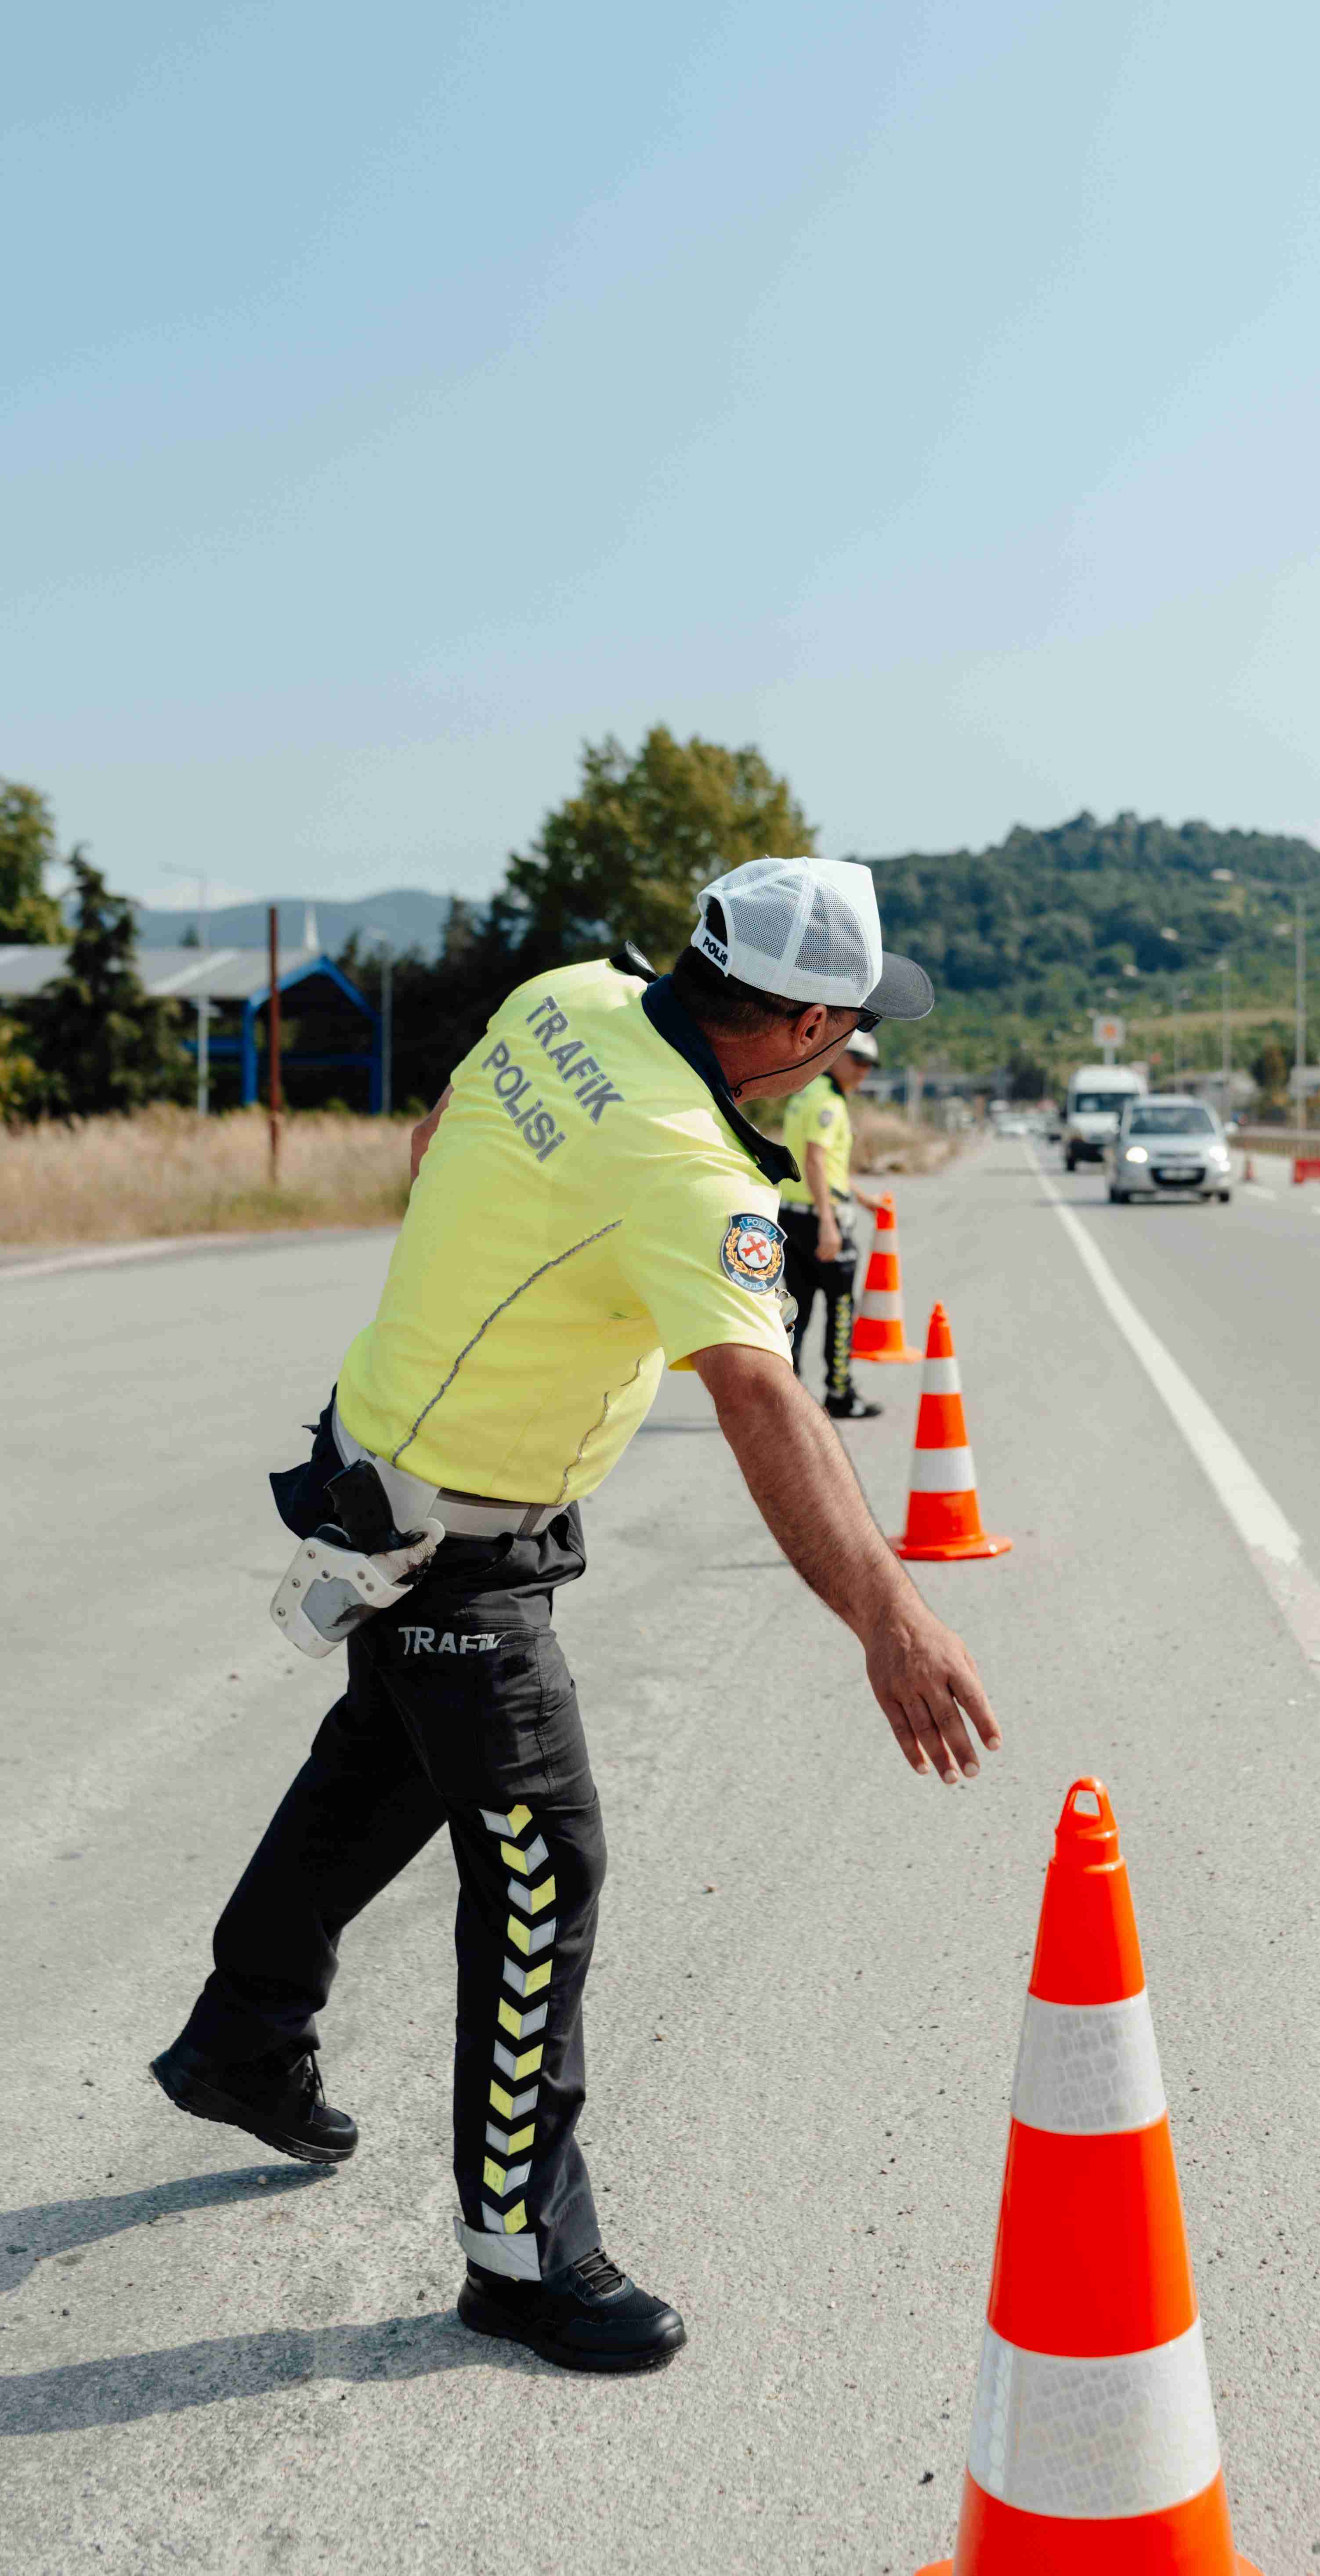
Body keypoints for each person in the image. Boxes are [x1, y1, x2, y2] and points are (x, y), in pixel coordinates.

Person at [149, 856, 1000, 2377]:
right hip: (454, 1533)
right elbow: (765, 1396)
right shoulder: (691, 1169)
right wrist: (891, 1614)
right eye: (851, 1022)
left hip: (380, 1465)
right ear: (803, 1021)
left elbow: (431, 1142)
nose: (849, 1044)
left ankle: (242, 2034)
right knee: (547, 1855)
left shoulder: (567, 999)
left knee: (384, 1765)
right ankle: (521, 2251)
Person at [778, 1024, 890, 1418]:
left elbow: (830, 1167)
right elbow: (815, 1160)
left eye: (871, 1065)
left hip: (793, 1217)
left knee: (799, 1312)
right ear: (838, 1053)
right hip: (819, 1222)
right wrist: (829, 1222)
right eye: (858, 1061)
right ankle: (840, 1395)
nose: (865, 1071)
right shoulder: (829, 1103)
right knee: (840, 1309)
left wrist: (860, 1197)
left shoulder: (809, 1090)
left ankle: (785, 1399)